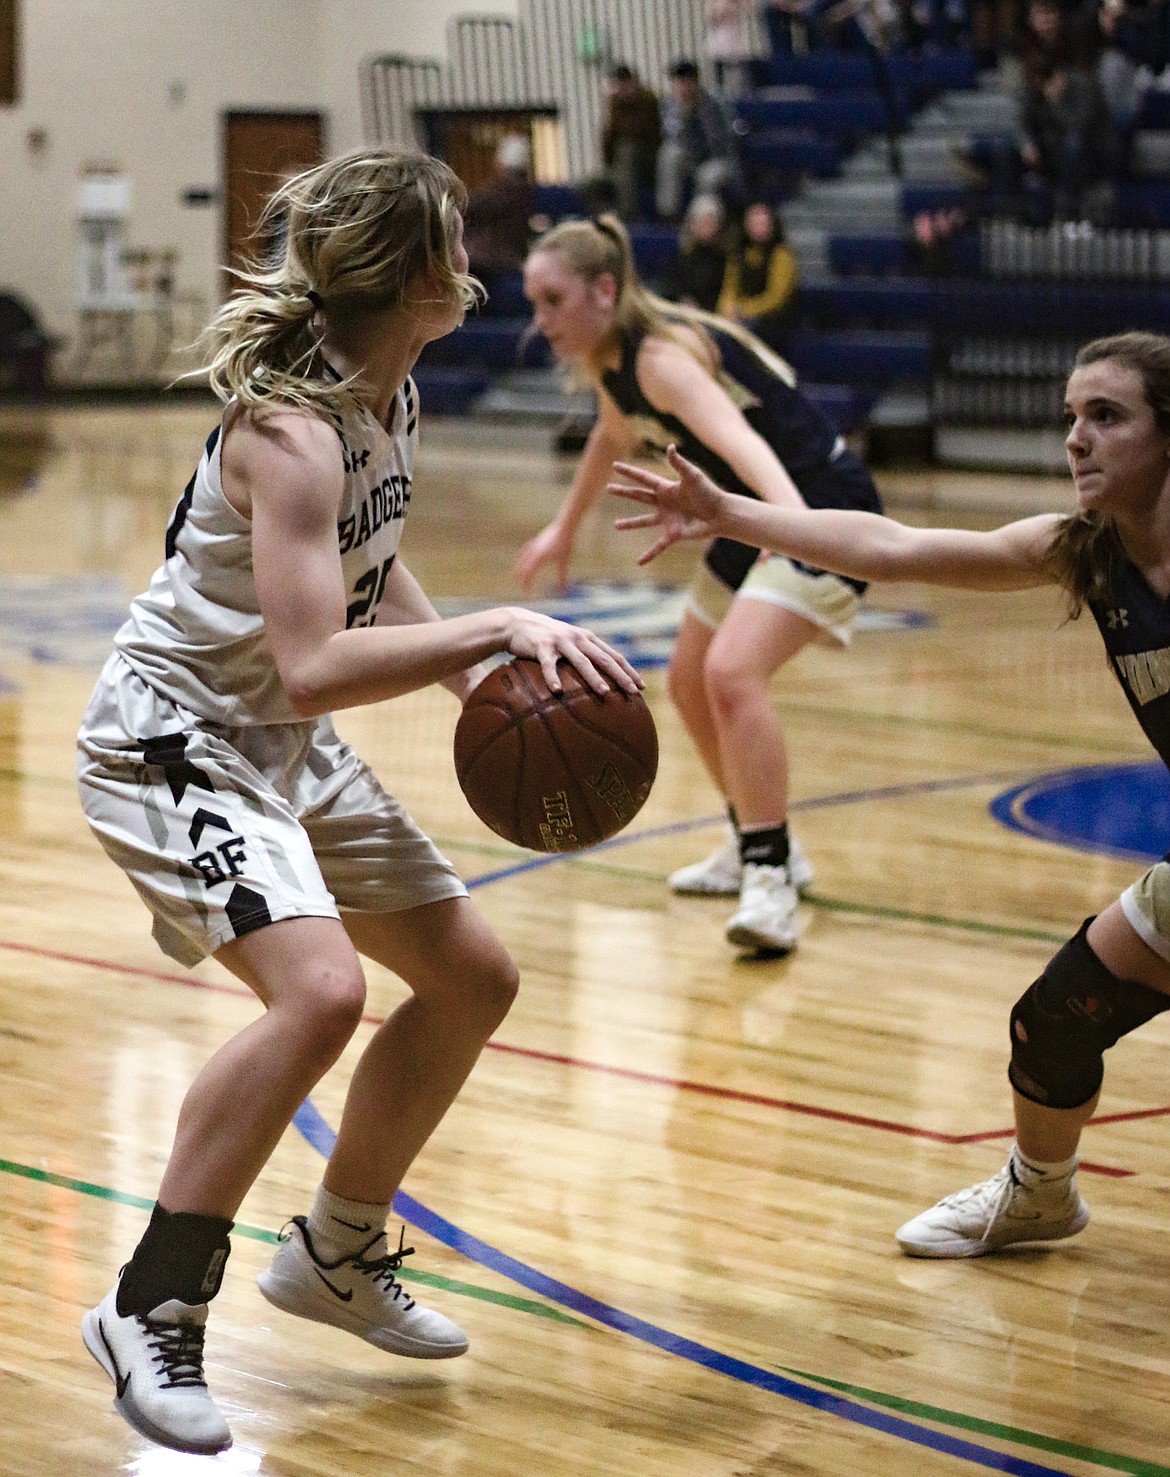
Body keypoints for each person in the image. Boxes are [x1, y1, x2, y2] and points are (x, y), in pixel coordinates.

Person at [75, 147, 641, 1457]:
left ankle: (335, 1251)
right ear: (415, 271)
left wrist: (484, 679)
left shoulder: (392, 391)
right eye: (457, 236)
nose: (478, 256)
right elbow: (313, 660)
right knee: (321, 992)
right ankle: (150, 1303)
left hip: (279, 737)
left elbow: (370, 587)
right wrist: (495, 623)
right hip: (177, 736)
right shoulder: (291, 431)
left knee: (471, 978)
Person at [609, 329, 1170, 1259]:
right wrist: (731, 513)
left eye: (1106, 417)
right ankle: (1039, 1195)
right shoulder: (1086, 553)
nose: (1076, 438)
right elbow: (891, 544)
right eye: (1070, 417)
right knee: (1049, 1026)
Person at [515, 213, 883, 954]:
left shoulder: (662, 360)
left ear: (603, 290)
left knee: (731, 672)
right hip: (754, 516)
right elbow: (612, 436)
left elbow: (745, 443)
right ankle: (754, 836)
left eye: (552, 300)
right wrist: (564, 525)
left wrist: (795, 530)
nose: (539, 319)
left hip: (815, 506)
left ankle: (772, 878)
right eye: (533, 302)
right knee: (687, 679)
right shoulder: (614, 361)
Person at [656, 59, 743, 222]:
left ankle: (703, 220)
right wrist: (684, 115)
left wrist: (695, 113)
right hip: (690, 159)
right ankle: (668, 215)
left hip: (716, 159)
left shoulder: (714, 103)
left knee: (708, 176)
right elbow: (673, 138)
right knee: (669, 154)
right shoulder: (669, 105)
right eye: (679, 82)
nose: (683, 87)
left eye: (687, 81)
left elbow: (722, 140)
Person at [717, 201, 799, 350]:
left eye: (764, 223)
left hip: (773, 319)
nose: (760, 228)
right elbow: (729, 288)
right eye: (755, 223)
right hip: (741, 315)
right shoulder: (738, 254)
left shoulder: (781, 255)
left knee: (744, 336)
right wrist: (726, 309)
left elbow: (776, 297)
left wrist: (744, 310)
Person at [463, 133, 537, 295]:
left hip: (491, 265)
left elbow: (467, 210)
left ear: (500, 164)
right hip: (508, 261)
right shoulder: (526, 193)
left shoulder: (497, 193)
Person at [598, 63, 662, 223]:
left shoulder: (648, 100)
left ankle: (627, 217)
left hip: (648, 157)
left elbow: (641, 131)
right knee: (590, 184)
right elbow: (609, 137)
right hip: (620, 161)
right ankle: (604, 217)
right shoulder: (614, 103)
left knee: (627, 151)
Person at [666, 192, 731, 313]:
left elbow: (726, 291)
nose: (706, 227)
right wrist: (683, 299)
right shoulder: (684, 255)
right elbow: (672, 286)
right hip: (686, 312)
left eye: (710, 222)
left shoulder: (724, 257)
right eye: (702, 222)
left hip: (715, 314)